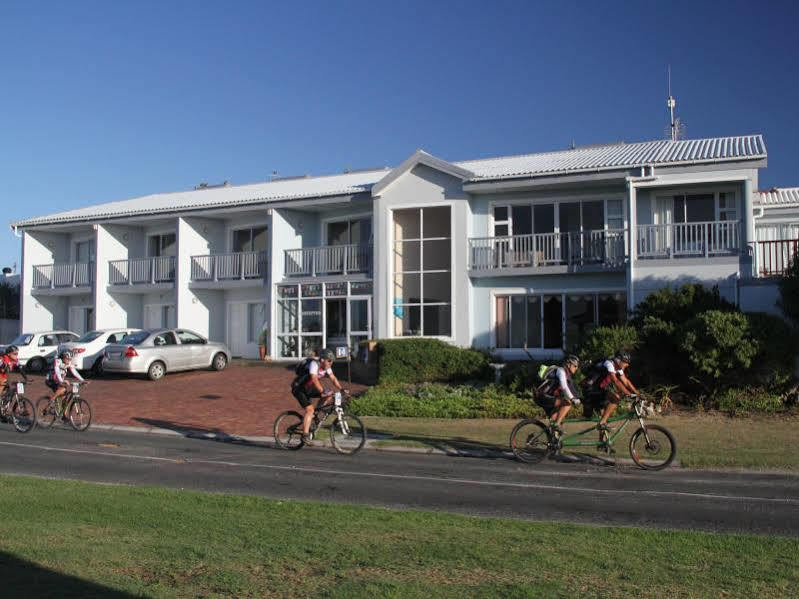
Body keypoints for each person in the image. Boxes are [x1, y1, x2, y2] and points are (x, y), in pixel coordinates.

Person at [291, 348, 343, 445]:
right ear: (322, 360)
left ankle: (316, 415)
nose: (331, 363)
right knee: (310, 410)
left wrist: (341, 389)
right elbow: (314, 379)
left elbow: (333, 378)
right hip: (299, 388)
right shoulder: (314, 365)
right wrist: (322, 391)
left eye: (332, 361)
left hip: (309, 388)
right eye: (329, 360)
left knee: (329, 395)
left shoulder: (327, 367)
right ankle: (305, 436)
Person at [595, 351, 639, 441]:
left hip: (601, 389)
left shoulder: (618, 367)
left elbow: (626, 381)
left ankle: (602, 443)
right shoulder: (609, 364)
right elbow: (616, 381)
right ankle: (602, 423)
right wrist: (628, 393)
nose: (627, 365)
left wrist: (637, 393)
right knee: (615, 398)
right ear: (619, 361)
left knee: (604, 416)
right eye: (626, 362)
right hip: (594, 389)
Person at [541, 355, 581, 436]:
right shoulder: (561, 371)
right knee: (567, 403)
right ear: (569, 364)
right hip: (543, 396)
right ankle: (556, 426)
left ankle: (553, 444)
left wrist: (578, 398)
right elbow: (564, 386)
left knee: (555, 417)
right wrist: (572, 399)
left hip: (545, 397)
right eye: (575, 366)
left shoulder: (567, 375)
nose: (576, 368)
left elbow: (571, 389)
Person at [45, 350, 88, 415]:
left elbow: (75, 372)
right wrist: (62, 381)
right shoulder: (58, 361)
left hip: (58, 381)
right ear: (64, 357)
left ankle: (63, 415)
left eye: (70, 359)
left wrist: (83, 380)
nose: (69, 360)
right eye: (67, 359)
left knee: (65, 398)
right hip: (50, 380)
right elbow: (57, 371)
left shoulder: (69, 363)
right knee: (63, 389)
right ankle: (52, 400)